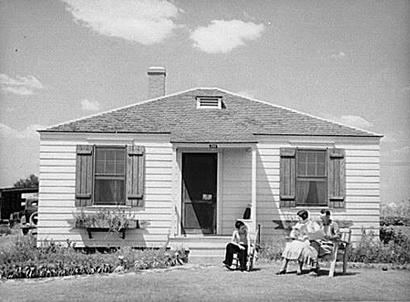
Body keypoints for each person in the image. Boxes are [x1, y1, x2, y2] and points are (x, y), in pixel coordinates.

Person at [276, 210, 320, 276]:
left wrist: (308, 234)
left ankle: (299, 268)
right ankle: (283, 268)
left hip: (307, 241)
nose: (298, 219)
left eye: (299, 218)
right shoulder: (298, 224)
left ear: (304, 217)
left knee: (301, 248)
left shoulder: (312, 223)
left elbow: (317, 233)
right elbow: (292, 233)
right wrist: (295, 234)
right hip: (298, 240)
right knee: (289, 247)